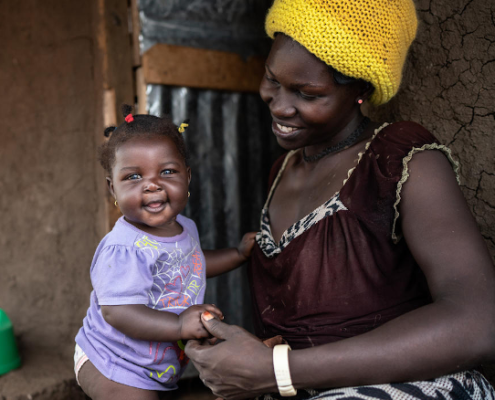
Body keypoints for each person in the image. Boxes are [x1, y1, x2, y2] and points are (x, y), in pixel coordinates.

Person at [184, 0, 495, 399]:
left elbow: (480, 321)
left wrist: (279, 370)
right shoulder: (282, 169)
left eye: (307, 93)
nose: (279, 104)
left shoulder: (400, 161)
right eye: (272, 79)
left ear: (361, 91)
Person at [74, 105, 256, 400]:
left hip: (153, 366)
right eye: (133, 177)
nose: (152, 185)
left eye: (167, 171)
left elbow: (190, 265)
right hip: (111, 361)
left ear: (188, 177)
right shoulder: (124, 248)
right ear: (113, 189)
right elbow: (117, 311)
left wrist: (237, 254)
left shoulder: (184, 227)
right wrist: (179, 324)